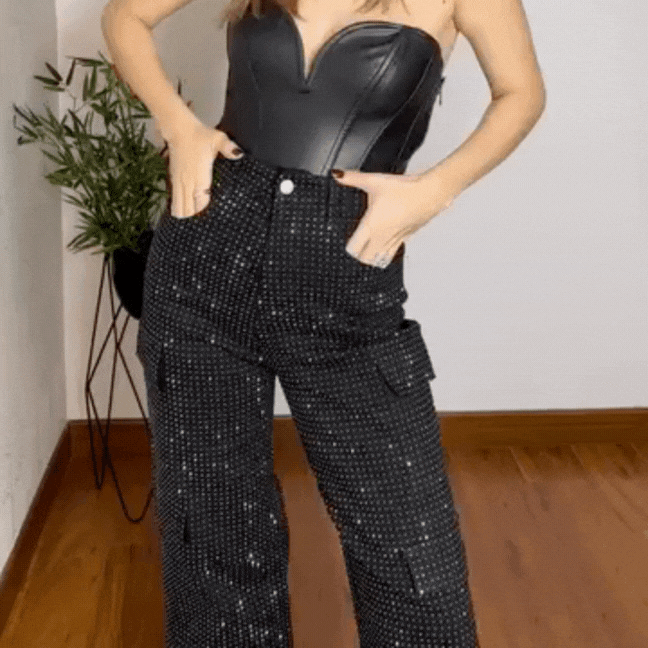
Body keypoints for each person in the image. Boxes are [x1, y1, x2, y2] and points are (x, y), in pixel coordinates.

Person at [101, 0, 545, 645]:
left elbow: (521, 93)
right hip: (205, 259)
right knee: (214, 531)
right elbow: (124, 17)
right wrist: (179, 125)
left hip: (344, 274)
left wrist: (434, 189)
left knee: (409, 545)